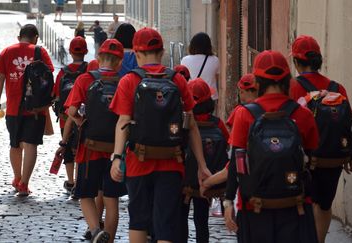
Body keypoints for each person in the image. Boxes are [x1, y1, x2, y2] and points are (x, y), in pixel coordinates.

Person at [109, 27, 212, 243]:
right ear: (162, 51)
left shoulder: (129, 80)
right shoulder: (178, 80)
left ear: (136, 54)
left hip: (138, 161)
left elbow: (123, 122)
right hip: (171, 163)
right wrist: (202, 165)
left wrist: (117, 157)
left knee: (138, 221)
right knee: (166, 224)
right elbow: (191, 125)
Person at [224, 50, 319, 243]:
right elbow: (312, 160)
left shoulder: (244, 114)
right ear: (287, 80)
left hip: (254, 209)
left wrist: (228, 202)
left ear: (257, 83)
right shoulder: (303, 114)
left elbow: (236, 161)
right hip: (295, 207)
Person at [289, 35, 352, 243]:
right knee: (324, 204)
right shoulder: (337, 88)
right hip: (332, 159)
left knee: (302, 203)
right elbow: (349, 124)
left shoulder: (293, 87)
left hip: (303, 159)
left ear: (296, 61)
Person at [65, 39, 127, 243]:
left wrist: (82, 122)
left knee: (85, 194)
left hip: (89, 148)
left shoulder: (85, 79)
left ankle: (95, 230)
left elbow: (71, 111)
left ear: (98, 58)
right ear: (120, 62)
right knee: (111, 200)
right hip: (115, 151)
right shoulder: (125, 82)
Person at [0, 24, 54, 196]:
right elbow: (49, 77)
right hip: (36, 108)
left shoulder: (7, 52)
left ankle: (17, 177)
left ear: (19, 38)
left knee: (15, 144)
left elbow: (0, 80)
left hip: (13, 108)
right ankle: (24, 184)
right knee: (31, 145)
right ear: (36, 38)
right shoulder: (40, 52)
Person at [179, 77, 229, 243]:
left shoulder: (183, 123)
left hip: (184, 181)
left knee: (181, 220)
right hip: (205, 182)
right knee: (202, 222)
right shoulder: (218, 124)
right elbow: (227, 145)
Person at [201, 74, 258, 190]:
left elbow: (232, 166)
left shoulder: (240, 112)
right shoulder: (273, 109)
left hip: (247, 186)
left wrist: (207, 183)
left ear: (241, 92)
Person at [53, 36, 88, 196]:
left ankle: (71, 181)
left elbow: (56, 94)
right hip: (84, 119)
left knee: (67, 148)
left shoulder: (63, 73)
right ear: (86, 51)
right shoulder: (89, 71)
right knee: (81, 148)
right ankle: (80, 181)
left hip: (66, 119)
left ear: (70, 52)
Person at [181, 32, 220, 100]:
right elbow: (216, 78)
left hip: (193, 96)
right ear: (209, 46)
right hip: (210, 96)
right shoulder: (215, 60)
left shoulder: (185, 60)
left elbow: (183, 80)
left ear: (192, 45)